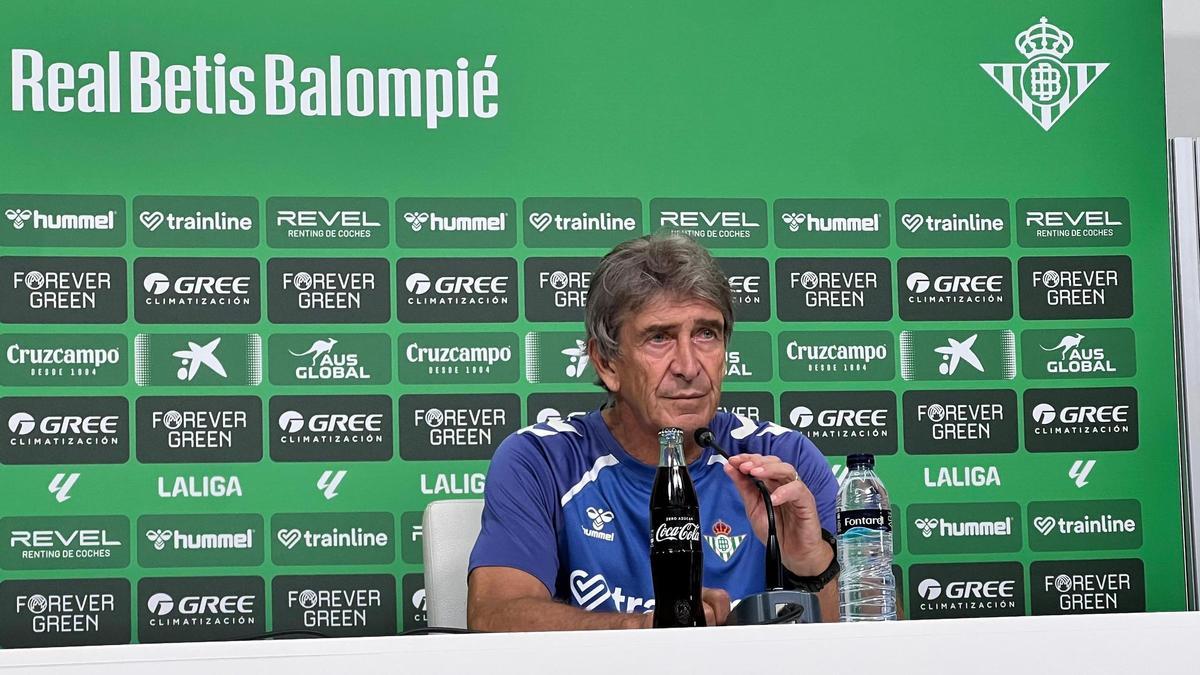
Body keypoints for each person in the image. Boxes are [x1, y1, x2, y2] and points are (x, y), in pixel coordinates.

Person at [467, 232, 839, 630]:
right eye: (659, 337)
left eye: (706, 334)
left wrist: (811, 562)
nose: (689, 365)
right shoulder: (541, 460)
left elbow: (879, 629)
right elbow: (494, 615)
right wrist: (646, 631)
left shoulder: (783, 460)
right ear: (607, 363)